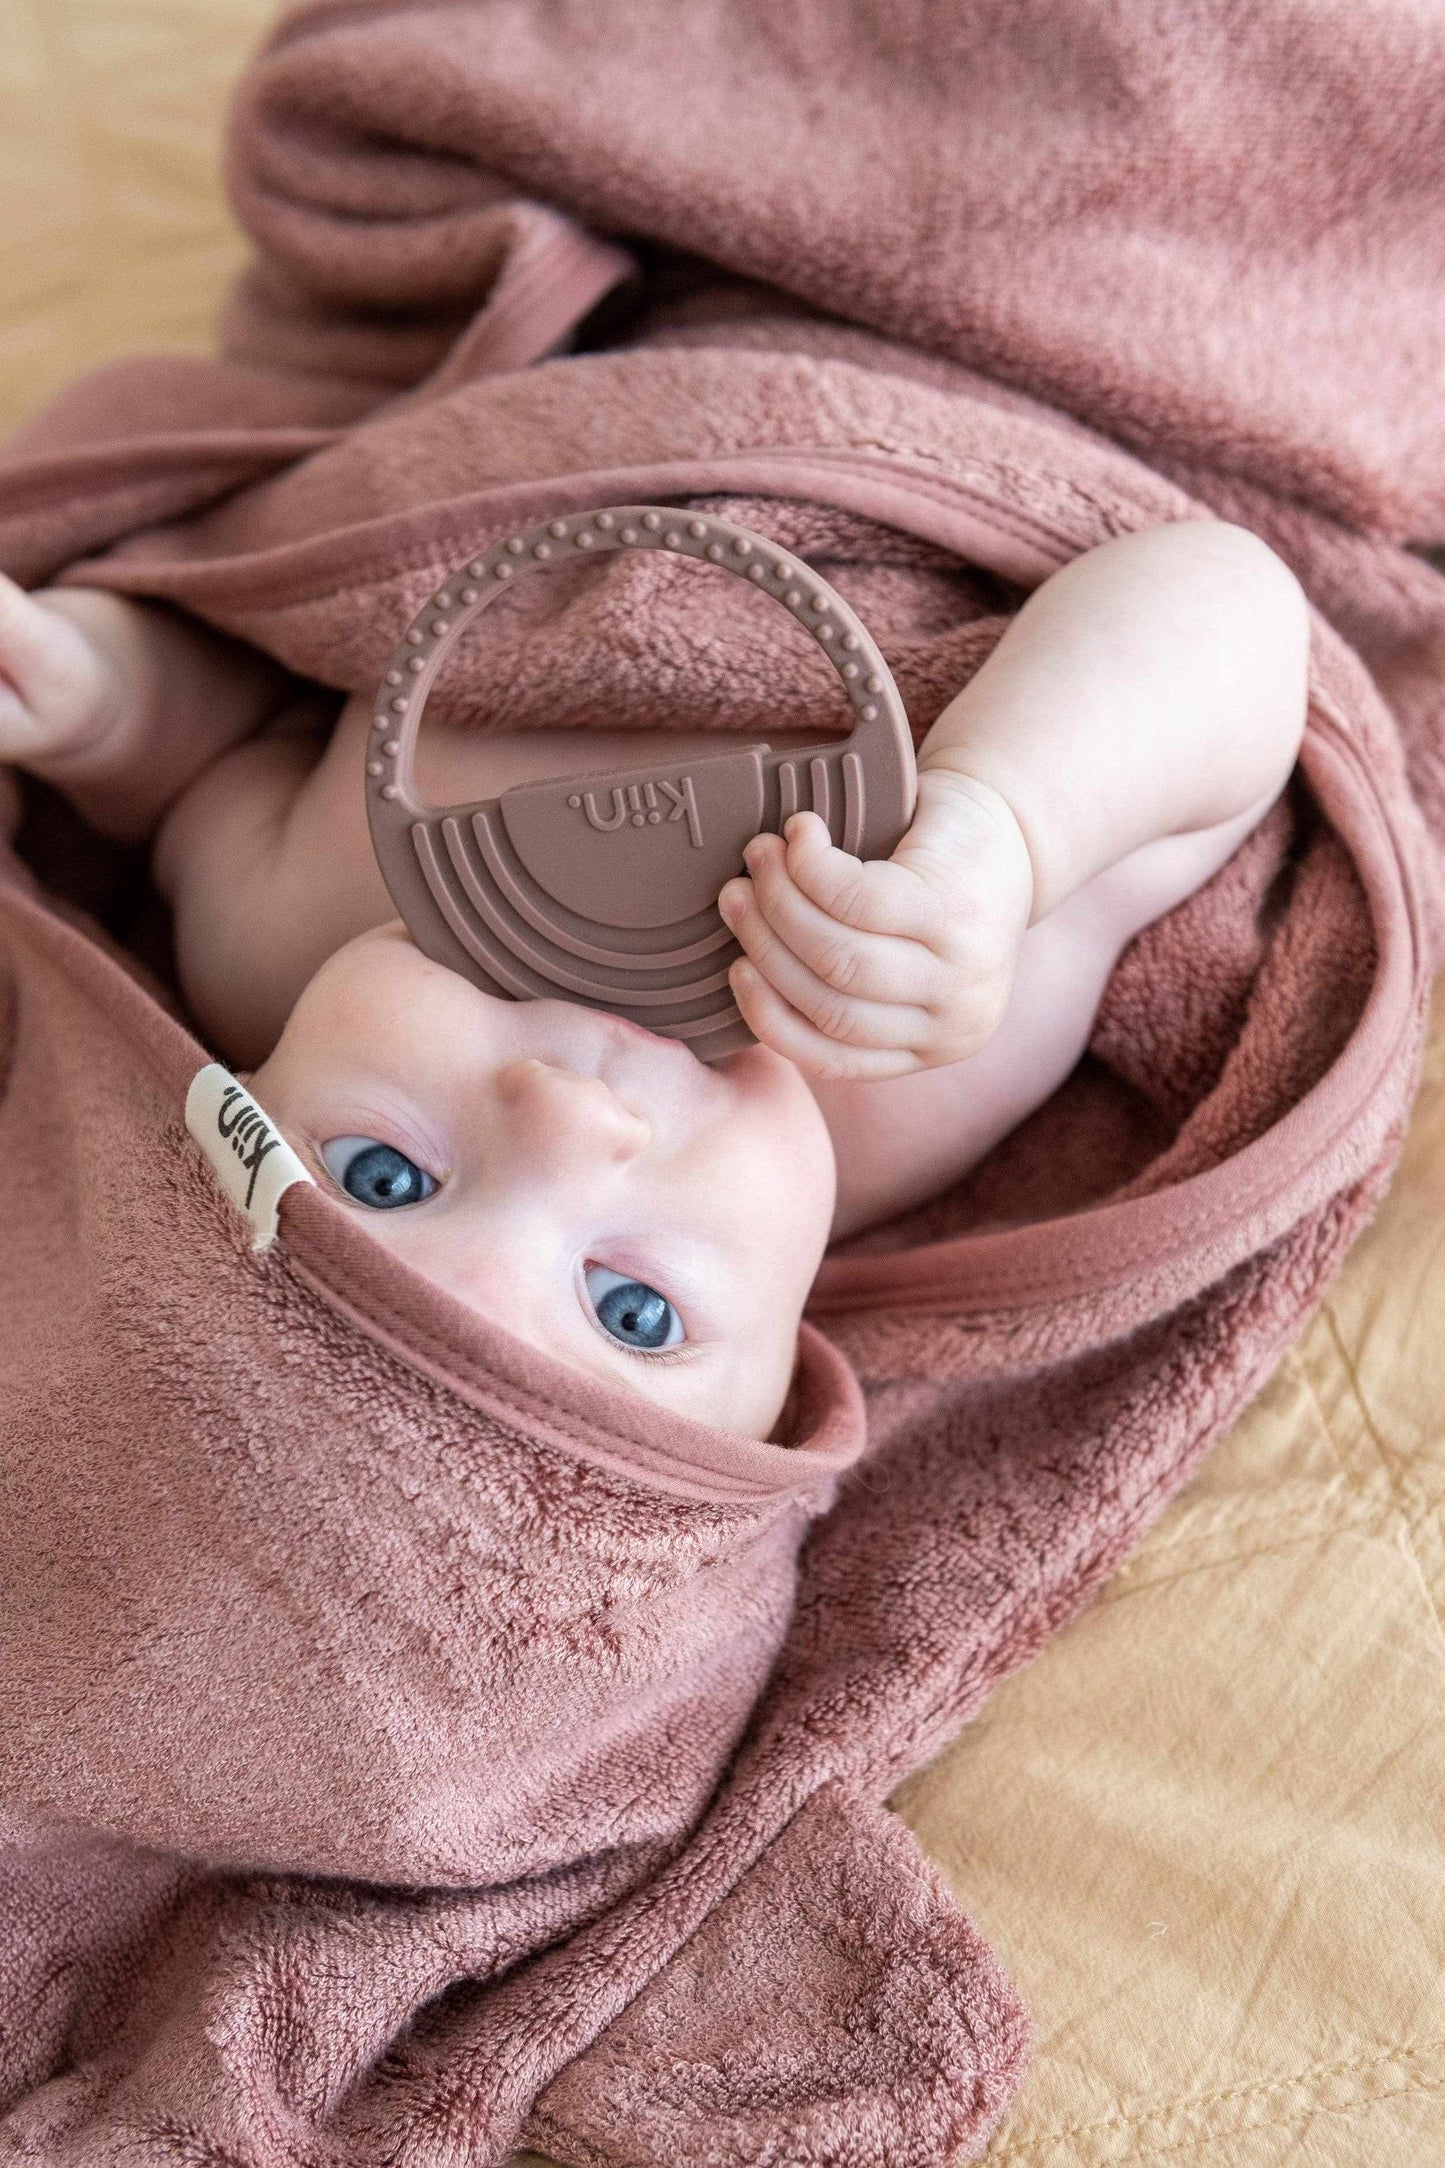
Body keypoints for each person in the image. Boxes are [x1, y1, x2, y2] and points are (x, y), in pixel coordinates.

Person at [0, 518, 1308, 1438]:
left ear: (233, 1105)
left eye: (383, 1177)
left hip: (618, 349)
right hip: (962, 403)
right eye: (631, 1311)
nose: (569, 1117)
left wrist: (103, 710)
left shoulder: (277, 936)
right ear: (788, 1357)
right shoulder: (907, 1069)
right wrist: (1008, 829)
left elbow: (214, 745)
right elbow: (1228, 606)